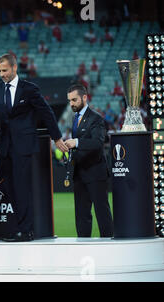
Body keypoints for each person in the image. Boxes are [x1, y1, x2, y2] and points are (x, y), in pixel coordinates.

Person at [0, 53, 68, 242]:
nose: (2, 74)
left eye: (5, 70)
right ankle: (17, 228)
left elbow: (46, 112)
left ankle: (26, 230)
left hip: (23, 147)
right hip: (5, 148)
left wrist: (57, 138)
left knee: (21, 189)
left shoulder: (29, 89)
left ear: (14, 68)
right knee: (10, 190)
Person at [63, 84, 113, 238]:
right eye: (70, 100)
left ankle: (109, 245)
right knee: (81, 213)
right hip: (80, 173)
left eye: (74, 100)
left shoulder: (96, 118)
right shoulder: (75, 118)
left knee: (101, 211)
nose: (71, 103)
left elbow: (98, 143)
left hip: (95, 172)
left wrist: (76, 142)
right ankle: (83, 245)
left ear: (84, 97)